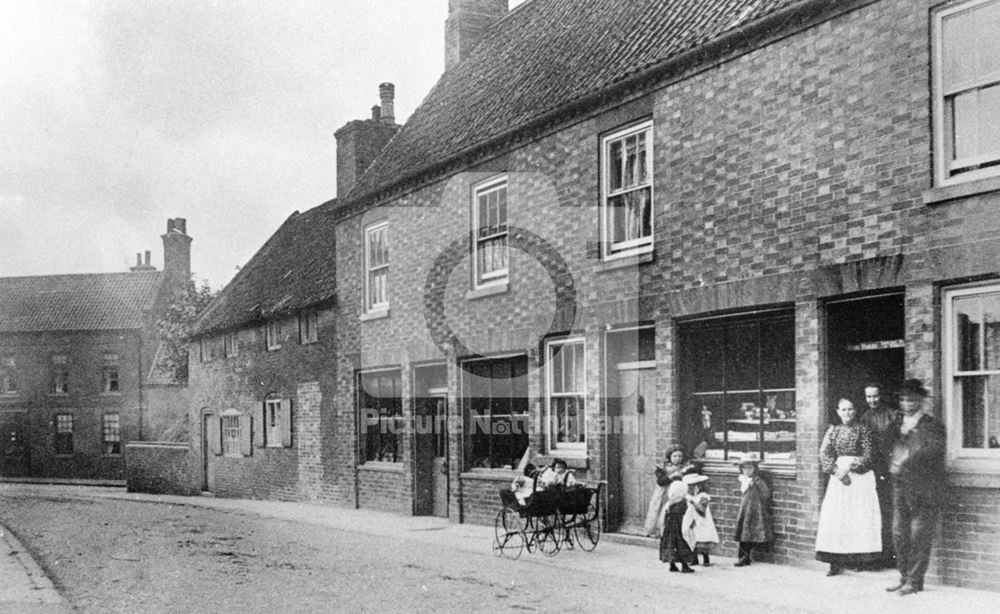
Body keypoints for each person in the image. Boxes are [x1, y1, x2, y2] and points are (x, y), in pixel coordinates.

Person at [886, 379, 946, 596]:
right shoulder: (897, 423)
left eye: (911, 399)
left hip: (923, 488)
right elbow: (885, 445)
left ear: (920, 400)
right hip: (899, 486)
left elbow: (934, 451)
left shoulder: (932, 426)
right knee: (898, 532)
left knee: (919, 534)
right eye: (902, 399)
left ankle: (915, 580)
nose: (906, 403)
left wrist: (907, 461)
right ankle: (904, 576)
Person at [815, 398, 882, 576]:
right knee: (837, 517)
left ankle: (858, 559)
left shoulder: (864, 429)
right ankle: (834, 561)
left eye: (850, 409)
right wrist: (837, 472)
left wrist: (850, 468)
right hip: (838, 478)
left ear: (855, 411)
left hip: (860, 478)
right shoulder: (833, 431)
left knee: (858, 516)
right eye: (844, 410)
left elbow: (869, 455)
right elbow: (824, 453)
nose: (847, 413)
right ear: (838, 412)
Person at [859, 382, 901, 567]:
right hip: (874, 471)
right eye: (868, 397)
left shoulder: (893, 415)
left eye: (875, 396)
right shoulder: (864, 418)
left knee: (893, 511)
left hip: (891, 469)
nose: (872, 400)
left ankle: (895, 556)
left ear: (881, 395)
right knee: (876, 512)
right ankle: (879, 556)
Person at [644, 447, 693, 537]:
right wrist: (672, 476)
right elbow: (660, 481)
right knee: (662, 510)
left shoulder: (685, 467)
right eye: (674, 456)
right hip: (665, 492)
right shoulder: (663, 468)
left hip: (678, 492)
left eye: (680, 456)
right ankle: (659, 531)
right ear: (669, 457)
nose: (677, 458)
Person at [733, 458, 773, 567]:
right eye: (744, 468)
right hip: (745, 509)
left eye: (750, 468)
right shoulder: (742, 480)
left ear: (755, 469)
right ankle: (742, 556)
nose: (747, 471)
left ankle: (747, 556)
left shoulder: (757, 480)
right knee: (743, 533)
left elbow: (766, 494)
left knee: (750, 533)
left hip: (754, 510)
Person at [659, 469, 694, 572]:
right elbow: (688, 515)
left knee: (670, 546)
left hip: (669, 531)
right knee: (681, 546)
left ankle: (672, 565)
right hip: (679, 530)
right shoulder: (683, 503)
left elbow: (663, 518)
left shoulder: (669, 504)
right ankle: (684, 566)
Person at [681, 473, 719, 566]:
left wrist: (693, 502)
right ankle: (694, 558)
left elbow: (702, 510)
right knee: (691, 537)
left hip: (702, 521)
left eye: (693, 486)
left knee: (702, 538)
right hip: (691, 520)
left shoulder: (703, 496)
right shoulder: (688, 497)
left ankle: (706, 558)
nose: (691, 488)